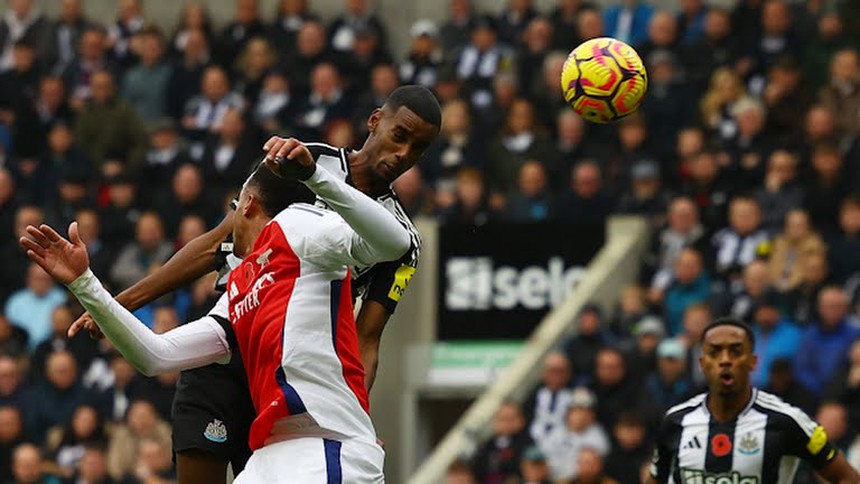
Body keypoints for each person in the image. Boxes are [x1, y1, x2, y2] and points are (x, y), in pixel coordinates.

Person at [69, 85, 440, 482]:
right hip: (226, 334)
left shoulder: (401, 238)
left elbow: (367, 339)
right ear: (375, 121)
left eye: (417, 149)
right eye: (400, 136)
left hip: (292, 370)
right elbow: (219, 241)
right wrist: (119, 303)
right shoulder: (303, 160)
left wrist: (357, 416)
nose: (403, 154)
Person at [647, 317, 860, 483]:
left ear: (753, 362)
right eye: (715, 352)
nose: (725, 360)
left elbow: (847, 477)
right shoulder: (676, 421)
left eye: (736, 352)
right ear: (702, 364)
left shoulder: (786, 421)